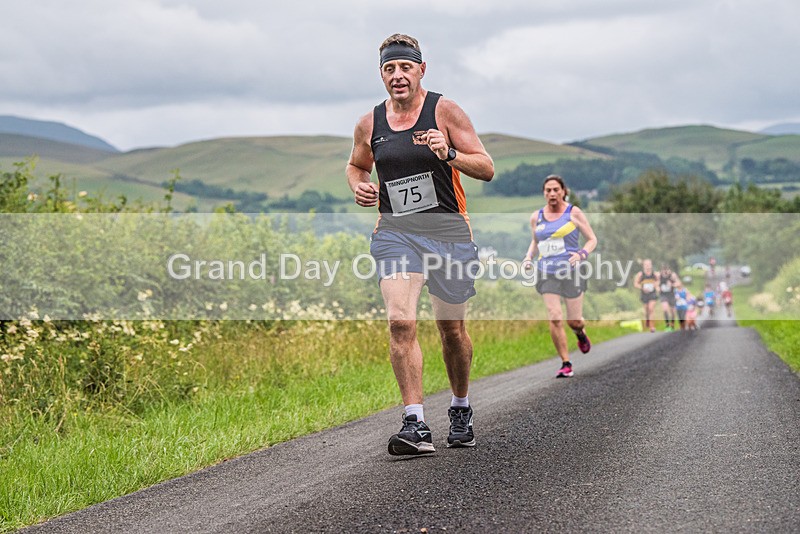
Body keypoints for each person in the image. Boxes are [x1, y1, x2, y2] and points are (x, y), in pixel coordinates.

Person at [346, 34, 494, 456]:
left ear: (421, 70)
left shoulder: (444, 110)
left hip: (449, 234)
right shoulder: (369, 123)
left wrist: (448, 154)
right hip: (396, 234)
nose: (397, 76)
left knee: (451, 330)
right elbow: (357, 165)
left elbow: (486, 167)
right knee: (400, 322)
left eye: (405, 67)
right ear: (381, 74)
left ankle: (460, 407)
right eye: (389, 69)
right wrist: (360, 186)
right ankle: (415, 423)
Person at [522, 175, 597, 378]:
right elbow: (536, 242)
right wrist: (529, 257)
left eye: (556, 190)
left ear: (564, 191)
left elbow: (592, 239)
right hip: (546, 272)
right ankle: (566, 362)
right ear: (544, 193)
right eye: (548, 190)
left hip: (572, 271)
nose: (552, 194)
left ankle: (580, 333)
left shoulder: (573, 213)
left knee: (574, 321)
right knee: (554, 316)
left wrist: (581, 254)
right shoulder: (536, 217)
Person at [634, 259, 659, 333]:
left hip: (652, 293)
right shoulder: (640, 274)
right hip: (644, 294)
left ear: (651, 265)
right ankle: (647, 319)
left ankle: (652, 327)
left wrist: (655, 285)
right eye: (646, 264)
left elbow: (659, 281)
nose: (648, 266)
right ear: (643, 266)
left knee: (651, 308)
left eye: (649, 264)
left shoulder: (655, 274)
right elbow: (635, 284)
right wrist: (642, 288)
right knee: (646, 310)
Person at [658, 263, 680, 331]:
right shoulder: (659, 276)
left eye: (666, 270)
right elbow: (655, 284)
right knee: (665, 309)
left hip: (671, 294)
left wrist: (672, 285)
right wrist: (658, 288)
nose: (665, 272)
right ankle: (667, 325)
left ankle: (672, 325)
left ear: (669, 270)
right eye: (663, 270)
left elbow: (679, 284)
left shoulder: (672, 275)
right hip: (663, 295)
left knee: (673, 311)